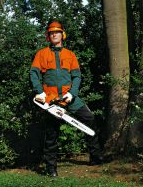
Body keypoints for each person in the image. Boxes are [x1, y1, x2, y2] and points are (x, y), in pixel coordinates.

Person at [30, 20, 103, 177]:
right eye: (51, 32)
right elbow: (34, 74)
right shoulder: (41, 54)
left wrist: (72, 93)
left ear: (62, 34)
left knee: (89, 118)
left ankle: (96, 158)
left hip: (69, 97)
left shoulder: (70, 55)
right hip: (50, 99)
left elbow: (76, 76)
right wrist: (39, 92)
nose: (54, 34)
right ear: (48, 36)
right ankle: (51, 168)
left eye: (56, 32)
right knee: (51, 133)